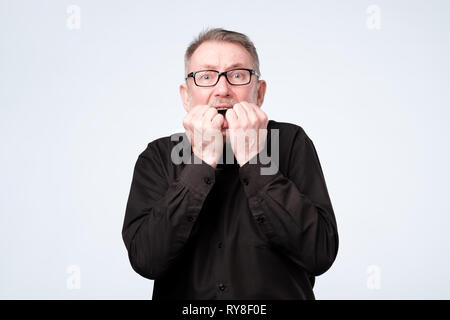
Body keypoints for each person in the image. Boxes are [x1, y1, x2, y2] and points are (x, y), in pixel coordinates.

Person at [122, 28, 339, 300]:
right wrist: (200, 163)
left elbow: (319, 253)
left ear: (259, 93)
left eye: (237, 75)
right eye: (206, 76)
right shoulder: (157, 156)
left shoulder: (291, 142)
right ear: (186, 97)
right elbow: (146, 259)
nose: (222, 90)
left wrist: (254, 160)